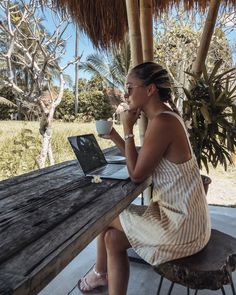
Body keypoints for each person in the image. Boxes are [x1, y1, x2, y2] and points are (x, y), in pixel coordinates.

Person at [78, 62, 211, 295]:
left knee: (103, 218)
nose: (126, 94)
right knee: (111, 238)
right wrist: (115, 135)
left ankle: (99, 273)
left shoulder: (162, 122)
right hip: (186, 219)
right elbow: (140, 161)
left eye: (130, 88)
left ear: (150, 89)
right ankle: (101, 275)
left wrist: (128, 128)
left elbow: (137, 174)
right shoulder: (164, 118)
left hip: (181, 227)